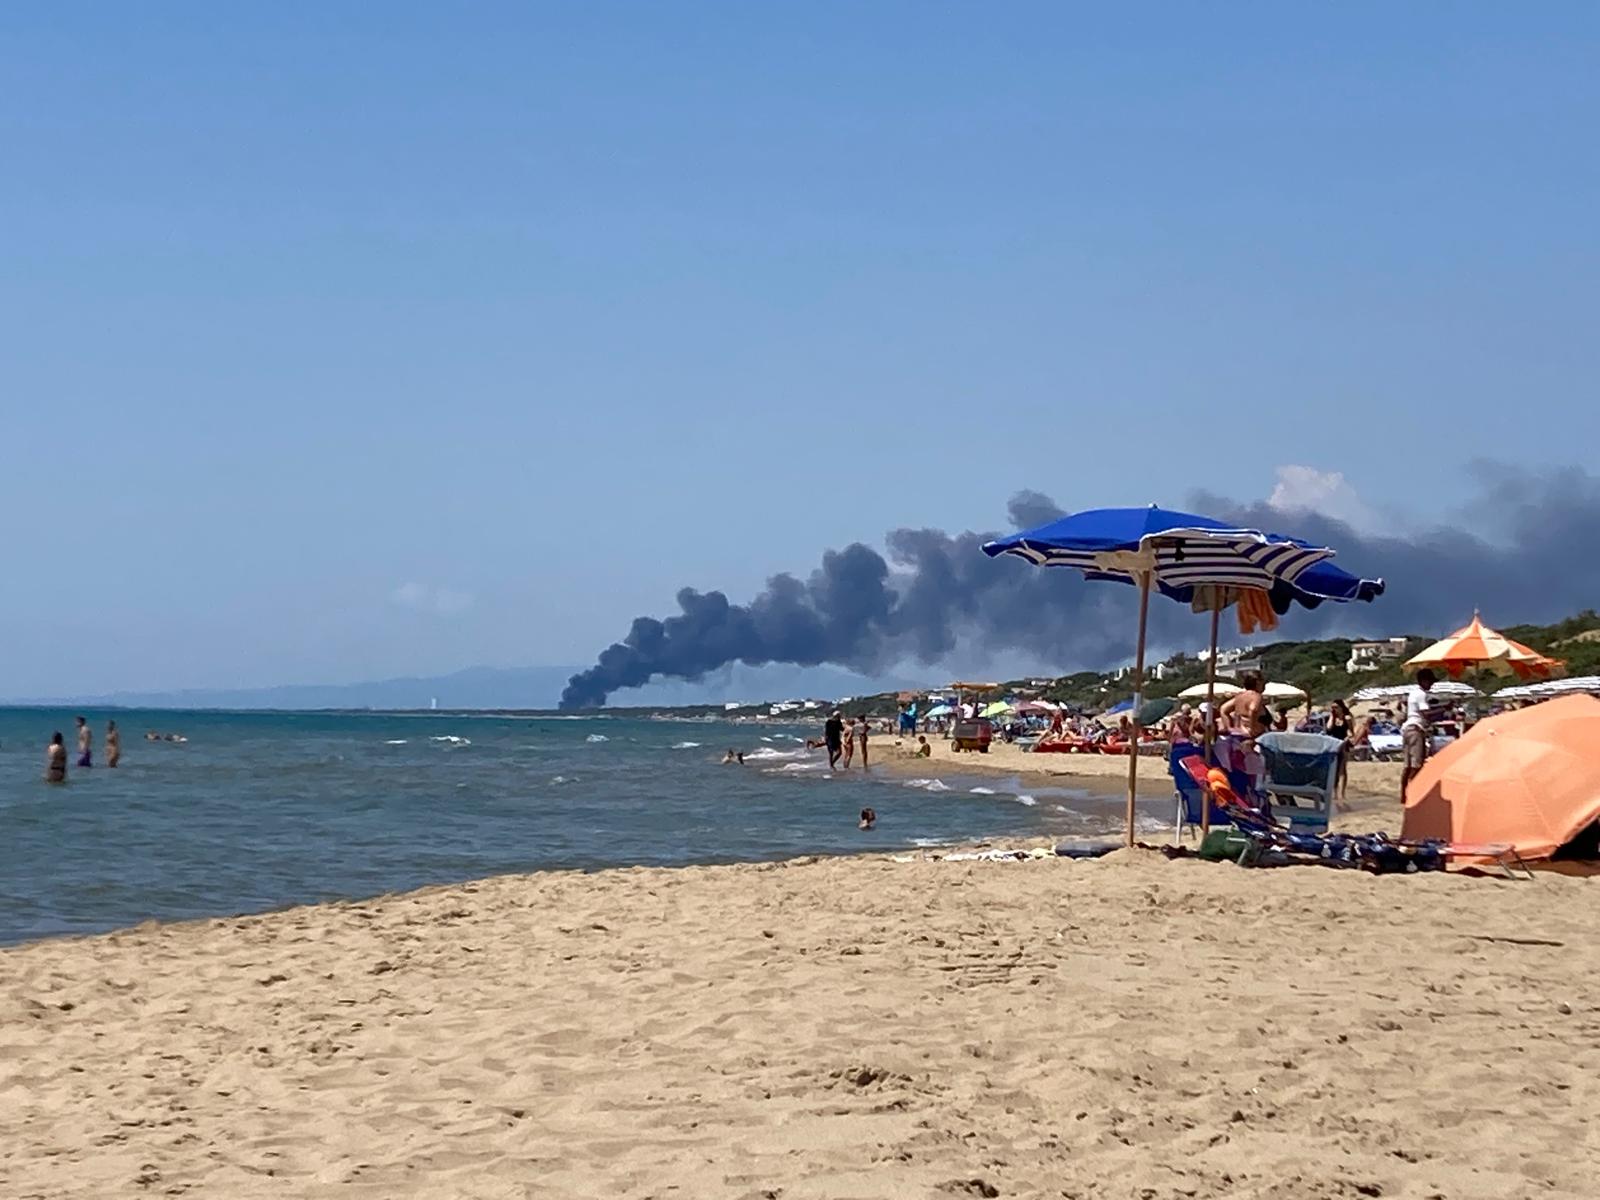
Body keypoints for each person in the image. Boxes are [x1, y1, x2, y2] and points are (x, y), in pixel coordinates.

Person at [1401, 669, 1448, 801]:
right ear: (1424, 681)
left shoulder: (1413, 694)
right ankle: (1413, 792)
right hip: (1416, 729)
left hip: (1407, 729)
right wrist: (1444, 709)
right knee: (1417, 764)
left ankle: (1403, 793)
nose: (1431, 685)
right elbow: (1426, 714)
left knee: (1408, 765)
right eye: (1430, 681)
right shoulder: (1421, 695)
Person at [1325, 699, 1354, 809]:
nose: (1334, 709)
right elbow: (1328, 729)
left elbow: (1351, 732)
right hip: (1333, 745)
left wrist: (1347, 739)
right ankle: (1335, 792)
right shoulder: (1332, 718)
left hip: (1343, 744)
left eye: (1336, 707)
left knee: (1342, 770)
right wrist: (1332, 716)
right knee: (1334, 770)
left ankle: (1342, 793)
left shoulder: (1347, 718)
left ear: (1341, 707)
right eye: (1333, 707)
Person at [1219, 672, 1268, 737]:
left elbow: (1223, 709)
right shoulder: (1256, 696)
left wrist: (1229, 727)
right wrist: (1252, 729)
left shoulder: (1239, 696)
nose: (1264, 685)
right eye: (1263, 682)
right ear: (1257, 682)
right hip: (1254, 736)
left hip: (1241, 732)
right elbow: (1253, 709)